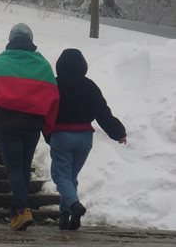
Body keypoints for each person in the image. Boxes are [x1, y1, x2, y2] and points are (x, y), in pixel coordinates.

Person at [0, 23, 60, 231]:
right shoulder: (42, 64)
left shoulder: (1, 62)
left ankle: (23, 209)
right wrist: (44, 123)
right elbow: (52, 94)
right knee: (23, 168)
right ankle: (16, 215)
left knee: (15, 169)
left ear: (11, 39)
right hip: (33, 124)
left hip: (8, 123)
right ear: (30, 40)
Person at [49, 49, 127, 231]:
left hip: (62, 136)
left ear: (60, 66)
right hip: (84, 138)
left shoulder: (54, 84)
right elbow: (102, 112)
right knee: (70, 177)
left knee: (60, 175)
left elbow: (46, 109)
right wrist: (118, 132)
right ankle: (65, 215)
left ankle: (74, 205)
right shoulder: (90, 86)